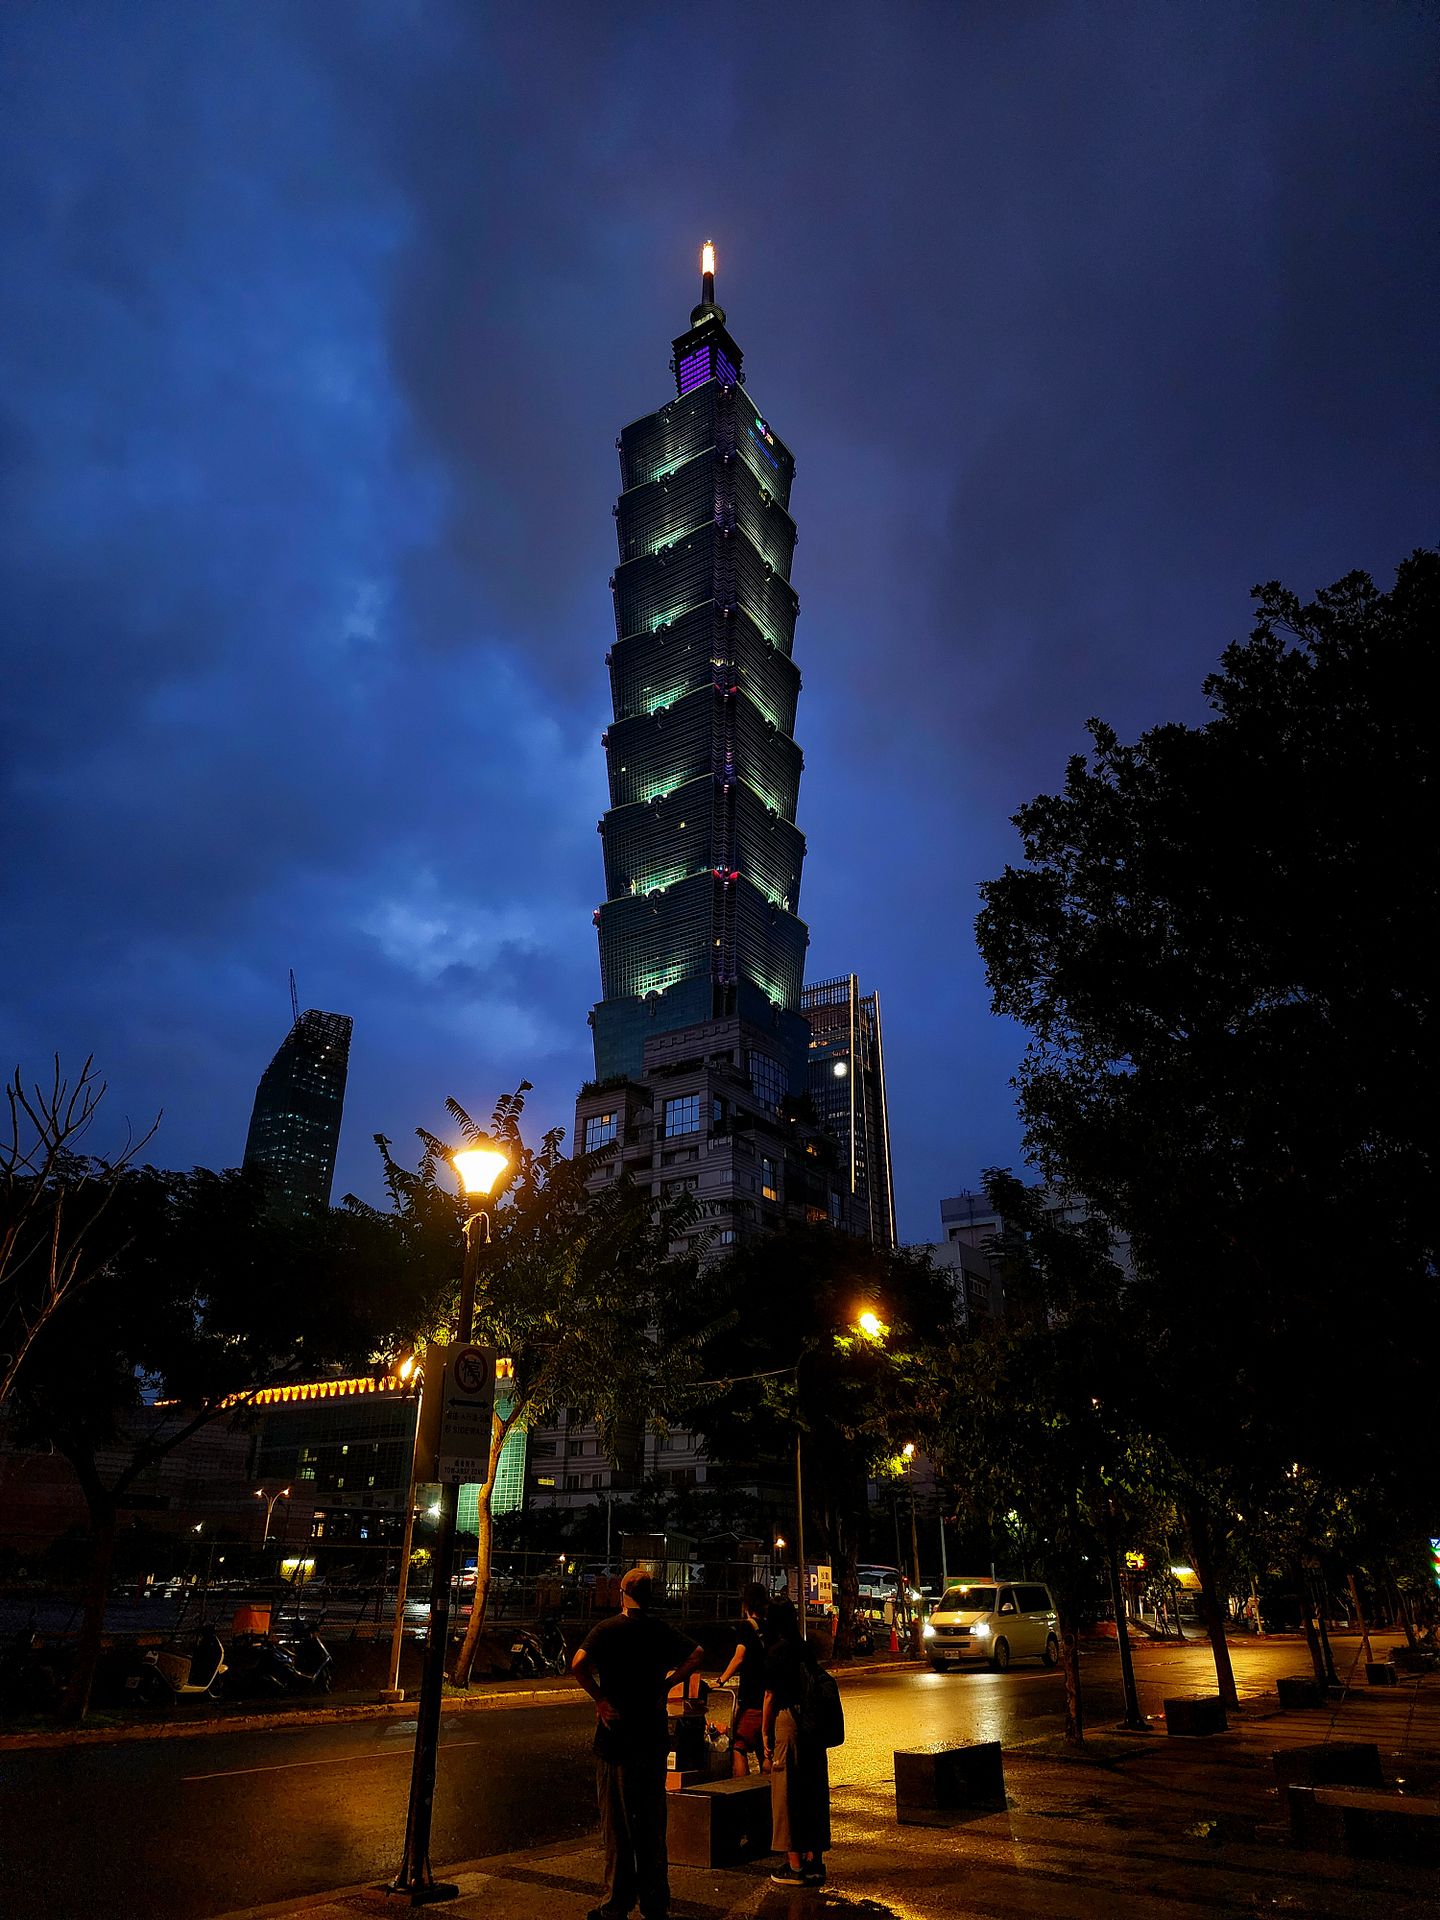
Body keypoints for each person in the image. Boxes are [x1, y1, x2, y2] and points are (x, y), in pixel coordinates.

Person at [572, 1566, 703, 1920]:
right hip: (653, 1737)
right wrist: (666, 1684)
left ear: (621, 1593)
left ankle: (617, 1901)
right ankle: (655, 1901)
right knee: (651, 1824)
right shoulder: (660, 1631)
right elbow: (697, 1654)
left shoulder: (607, 1630)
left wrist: (600, 1698)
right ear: (651, 1596)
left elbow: (578, 1664)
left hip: (616, 1740)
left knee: (617, 1827)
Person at [762, 1597, 831, 1887]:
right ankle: (815, 1861)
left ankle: (794, 1865)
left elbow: (770, 1697)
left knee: (787, 1791)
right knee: (813, 1789)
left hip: (789, 1722)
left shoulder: (777, 1651)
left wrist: (765, 1733)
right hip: (813, 1725)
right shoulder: (805, 1648)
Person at [714, 1581, 769, 1775]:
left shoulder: (746, 1627)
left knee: (739, 1745)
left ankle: (743, 1792)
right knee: (765, 1749)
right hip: (770, 1697)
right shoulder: (771, 1627)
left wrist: (720, 1680)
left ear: (746, 1604)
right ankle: (771, 1792)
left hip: (752, 1698)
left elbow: (739, 1657)